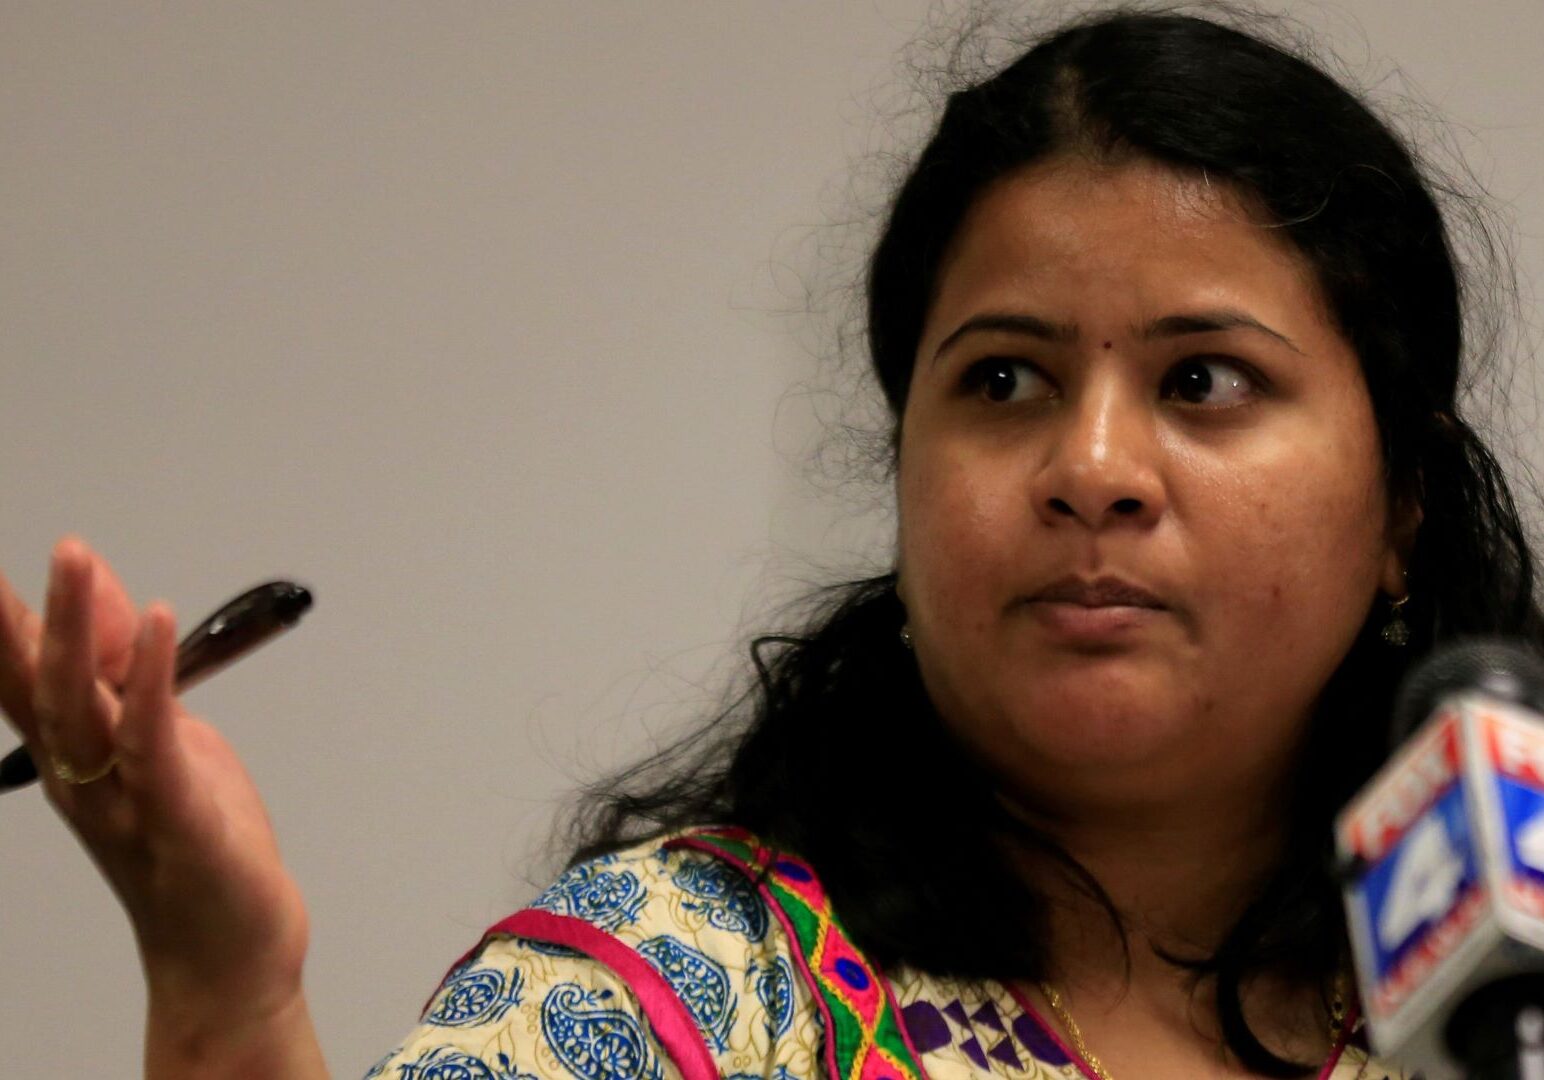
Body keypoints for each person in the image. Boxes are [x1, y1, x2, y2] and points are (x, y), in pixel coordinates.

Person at [1, 6, 1538, 1079]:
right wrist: (223, 996)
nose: (1089, 469)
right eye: (1003, 382)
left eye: (1204, 382)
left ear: (1400, 496)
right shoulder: (678, 985)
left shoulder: (1502, 984)